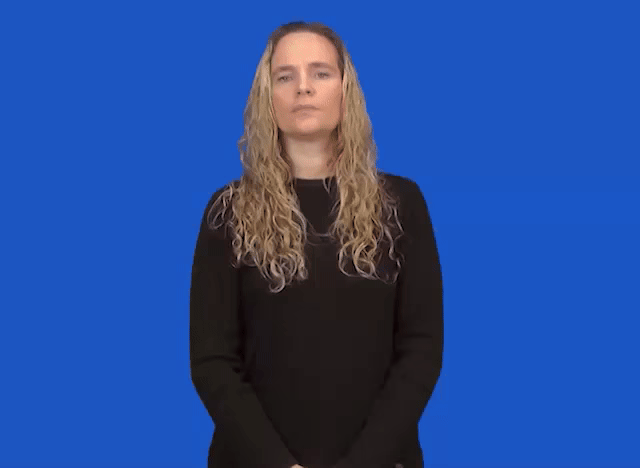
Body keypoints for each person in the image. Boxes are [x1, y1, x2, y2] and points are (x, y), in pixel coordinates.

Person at [189, 20, 443, 468]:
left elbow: (421, 350)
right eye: (285, 76)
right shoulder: (228, 211)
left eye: (320, 73)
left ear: (346, 89)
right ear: (267, 96)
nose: (302, 88)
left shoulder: (401, 204)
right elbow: (213, 362)